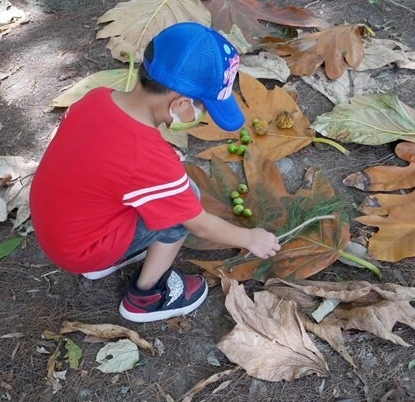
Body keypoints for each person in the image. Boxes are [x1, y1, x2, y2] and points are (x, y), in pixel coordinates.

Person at [30, 22, 281, 323]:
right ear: (180, 103)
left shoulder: (95, 98)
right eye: (203, 108)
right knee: (185, 201)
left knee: (165, 195)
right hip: (80, 249)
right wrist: (250, 237)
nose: (201, 116)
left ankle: (107, 259)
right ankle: (145, 296)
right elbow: (199, 225)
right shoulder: (148, 156)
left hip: (59, 229)